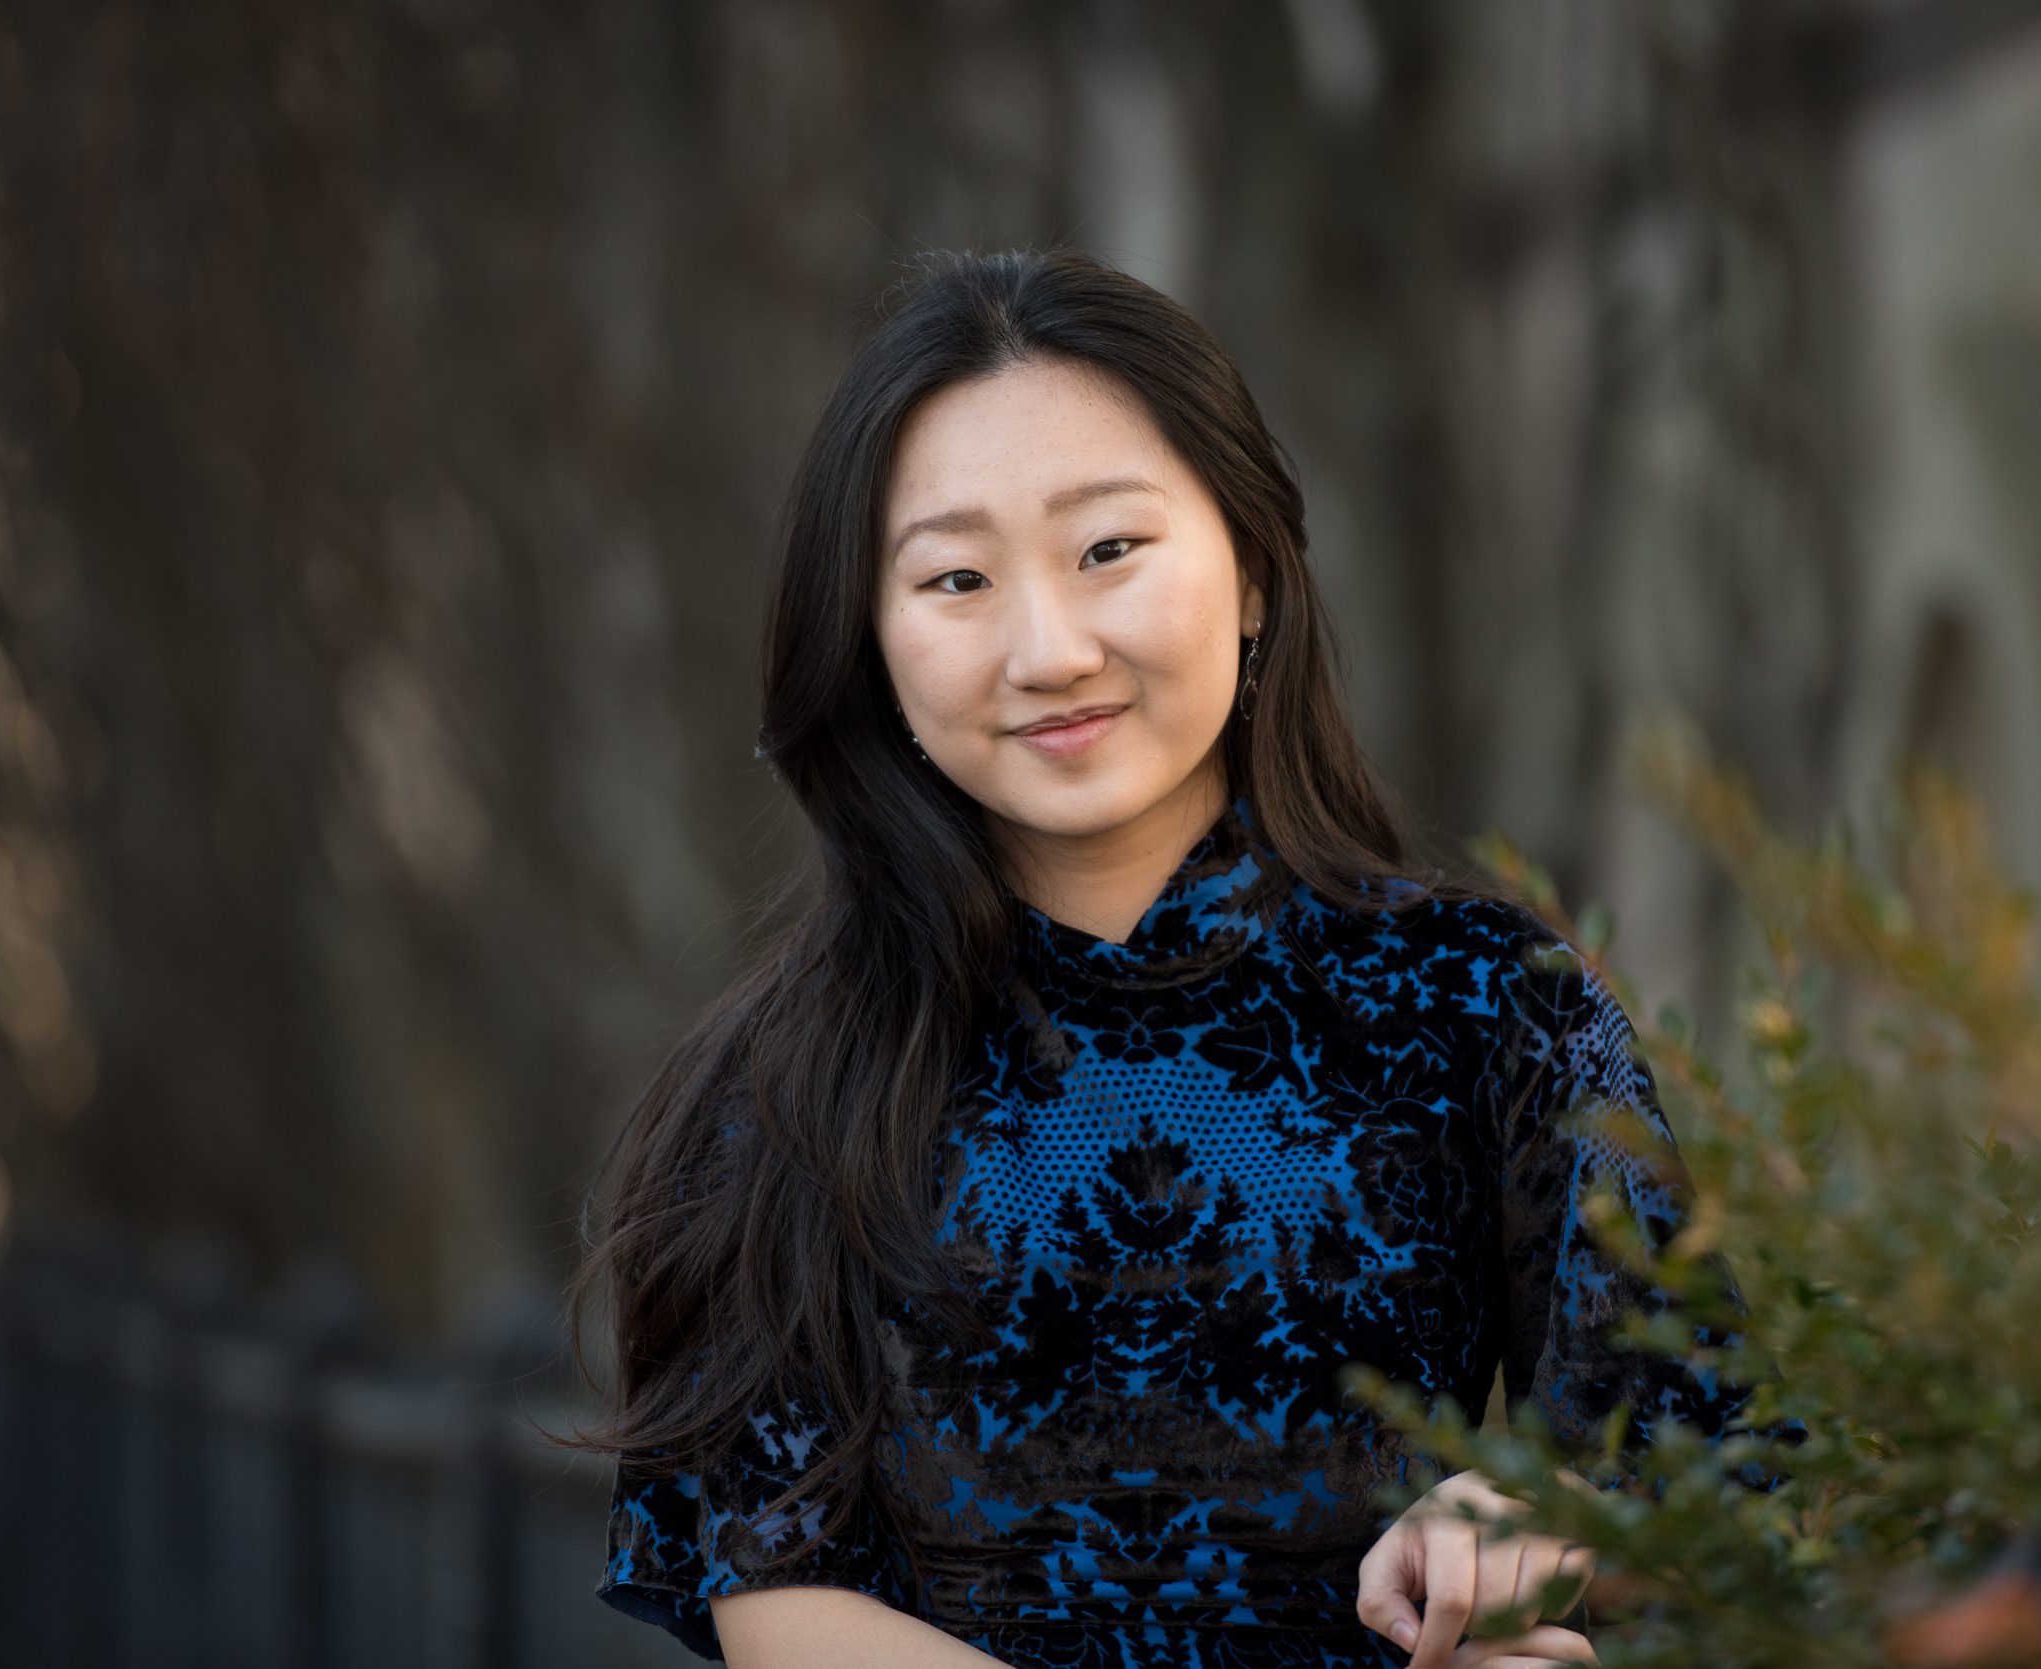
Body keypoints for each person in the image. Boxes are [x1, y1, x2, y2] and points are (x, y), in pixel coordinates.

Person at [561, 247, 1798, 1669]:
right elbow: (779, 1592)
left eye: (1109, 549)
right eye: (957, 578)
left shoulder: (1481, 1000)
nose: (1048, 648)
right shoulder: (780, 1084)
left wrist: (1526, 1531)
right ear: (873, 638)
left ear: (1254, 569)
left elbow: (1707, 1468)